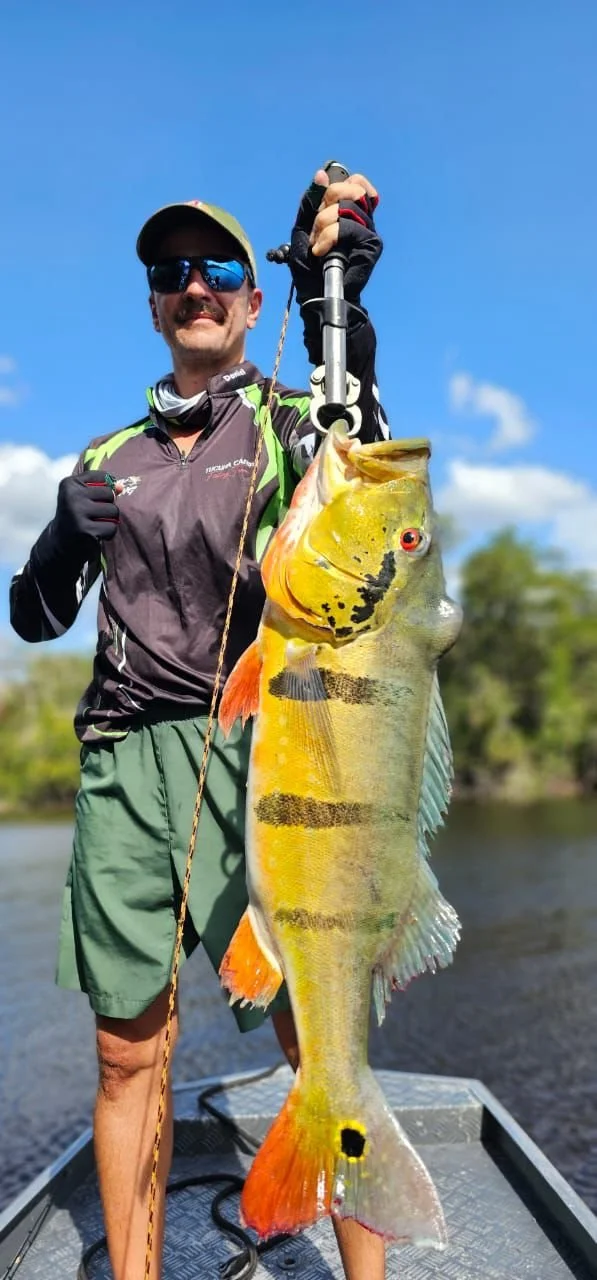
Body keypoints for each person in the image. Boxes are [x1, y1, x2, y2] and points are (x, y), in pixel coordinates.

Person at [10, 166, 390, 1279]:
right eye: (170, 273)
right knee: (130, 1051)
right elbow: (34, 617)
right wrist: (54, 543)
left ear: (250, 299)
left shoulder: (286, 423)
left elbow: (362, 481)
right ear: (152, 302)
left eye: (218, 268)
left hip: (260, 753)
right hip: (127, 764)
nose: (195, 287)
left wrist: (344, 313)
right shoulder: (103, 458)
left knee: (319, 1031)